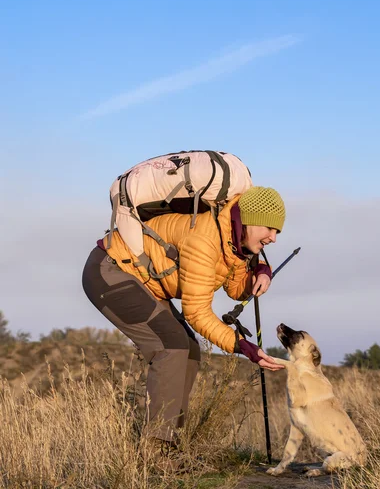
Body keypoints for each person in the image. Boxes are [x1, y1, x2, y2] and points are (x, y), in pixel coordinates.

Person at [82, 185, 286, 446]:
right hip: (109, 271)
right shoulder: (204, 238)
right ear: (248, 219)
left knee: (189, 349)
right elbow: (197, 313)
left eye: (277, 231)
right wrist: (243, 346)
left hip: (145, 282)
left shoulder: (234, 243)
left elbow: (236, 289)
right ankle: (156, 449)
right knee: (172, 346)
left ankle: (171, 442)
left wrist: (261, 271)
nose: (274, 238)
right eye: (269, 228)